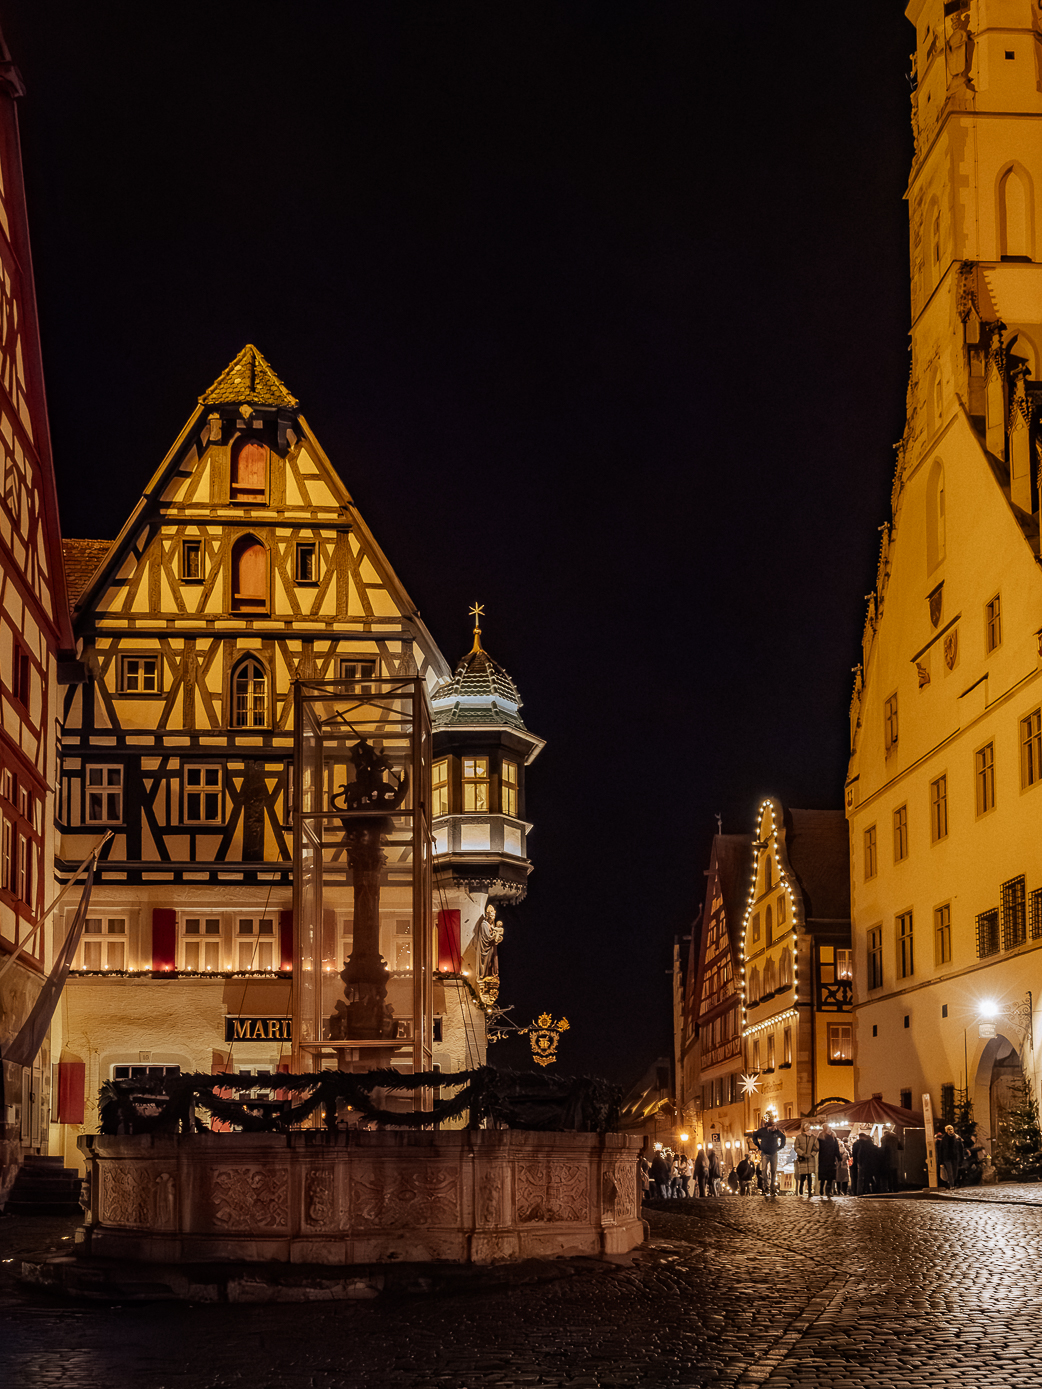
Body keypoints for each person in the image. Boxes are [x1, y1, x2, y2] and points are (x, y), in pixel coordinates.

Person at [752, 1115, 786, 1199]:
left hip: (774, 1152)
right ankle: (765, 1188)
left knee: (773, 1171)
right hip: (764, 1153)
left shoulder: (776, 1132)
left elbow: (783, 1137)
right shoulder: (762, 1131)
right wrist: (758, 1145)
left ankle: (772, 1189)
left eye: (775, 1126)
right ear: (769, 1126)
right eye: (773, 1126)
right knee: (763, 1171)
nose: (775, 1128)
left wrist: (780, 1147)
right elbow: (754, 1135)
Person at [793, 1122, 818, 1197]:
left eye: (810, 1130)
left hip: (810, 1159)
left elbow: (816, 1147)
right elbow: (796, 1147)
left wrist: (812, 1154)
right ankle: (801, 1186)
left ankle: (810, 1191)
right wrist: (802, 1153)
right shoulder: (799, 1137)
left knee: (809, 1175)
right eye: (808, 1130)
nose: (809, 1132)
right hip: (802, 1158)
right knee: (803, 1175)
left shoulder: (813, 1138)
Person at [816, 1122, 841, 1198]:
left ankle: (827, 1191)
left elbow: (836, 1149)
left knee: (829, 1176)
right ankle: (823, 1190)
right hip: (825, 1159)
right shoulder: (821, 1137)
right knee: (825, 1176)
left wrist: (838, 1157)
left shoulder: (833, 1137)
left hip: (828, 1159)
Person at [852, 1128, 879, 1196]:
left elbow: (858, 1154)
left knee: (860, 1178)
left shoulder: (858, 1144)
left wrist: (858, 1162)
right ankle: (872, 1190)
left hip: (862, 1163)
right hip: (870, 1164)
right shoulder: (872, 1146)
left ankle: (860, 1191)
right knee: (869, 1177)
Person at [937, 1124, 966, 1189]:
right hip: (947, 1158)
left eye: (951, 1129)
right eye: (948, 1129)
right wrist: (940, 1161)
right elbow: (941, 1150)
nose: (950, 1130)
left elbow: (961, 1149)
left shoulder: (957, 1138)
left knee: (955, 1172)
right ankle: (951, 1185)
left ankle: (952, 1182)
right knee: (950, 1172)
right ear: (946, 1131)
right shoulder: (944, 1139)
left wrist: (961, 1158)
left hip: (955, 1157)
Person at [880, 1128, 900, 1192]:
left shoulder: (884, 1139)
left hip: (887, 1160)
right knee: (895, 1175)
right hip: (895, 1159)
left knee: (888, 1176)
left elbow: (883, 1149)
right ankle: (896, 1188)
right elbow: (901, 1147)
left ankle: (890, 1188)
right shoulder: (895, 1139)